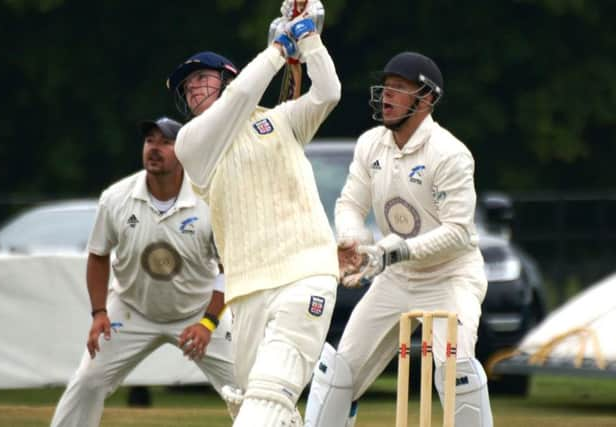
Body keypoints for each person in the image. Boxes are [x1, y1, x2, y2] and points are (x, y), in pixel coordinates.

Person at [166, 1, 340, 425]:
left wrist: (307, 37)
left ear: (226, 77)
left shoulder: (281, 120)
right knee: (252, 403)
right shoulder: (192, 144)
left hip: (304, 271)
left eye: (202, 80)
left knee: (266, 399)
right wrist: (279, 48)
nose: (193, 91)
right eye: (187, 88)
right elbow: (242, 96)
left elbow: (329, 92)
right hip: (246, 291)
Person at [304, 52, 494, 427]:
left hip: (450, 276)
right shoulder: (371, 144)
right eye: (385, 87)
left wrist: (391, 252)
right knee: (339, 374)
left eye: (399, 89)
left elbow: (457, 233)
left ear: (426, 99)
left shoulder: (450, 154)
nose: (386, 96)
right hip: (397, 279)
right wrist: (354, 243)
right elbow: (349, 203)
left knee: (458, 373)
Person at [50, 117, 236, 427]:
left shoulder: (209, 198)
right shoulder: (116, 198)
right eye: (150, 141)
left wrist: (208, 322)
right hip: (131, 311)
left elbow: (230, 268)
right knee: (87, 383)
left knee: (246, 389)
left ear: (186, 151)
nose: (155, 148)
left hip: (200, 314)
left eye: (166, 142)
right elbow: (98, 255)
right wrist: (99, 313)